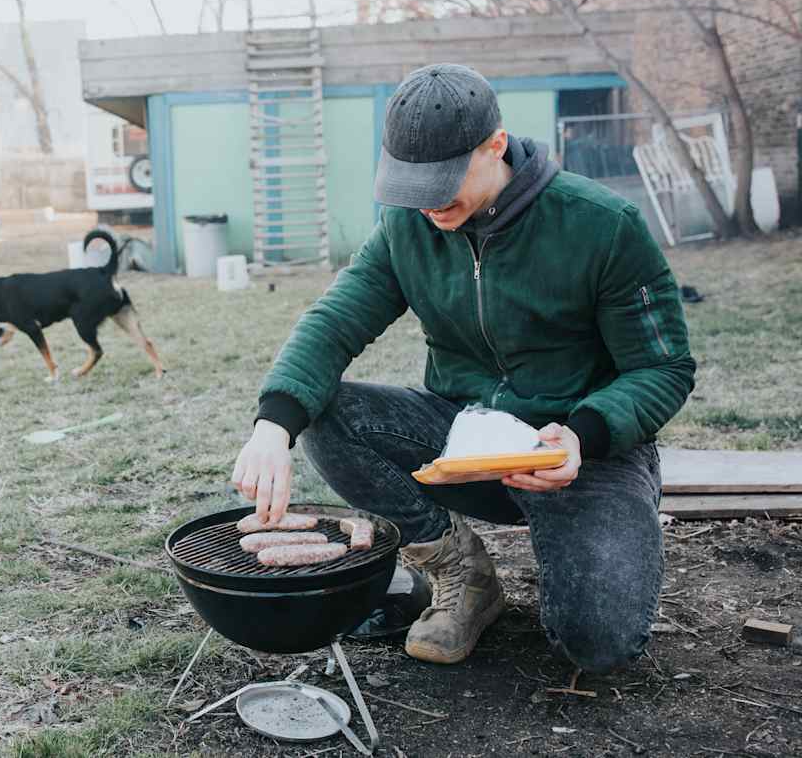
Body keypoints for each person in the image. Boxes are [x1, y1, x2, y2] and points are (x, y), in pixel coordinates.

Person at [231, 63, 695, 672]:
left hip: (579, 452)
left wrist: (583, 435)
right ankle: (462, 575)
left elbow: (663, 370)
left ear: (495, 145)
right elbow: (334, 321)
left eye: (443, 181)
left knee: (598, 647)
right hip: (464, 440)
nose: (426, 203)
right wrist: (273, 425)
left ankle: (585, 540)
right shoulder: (407, 226)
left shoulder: (603, 226)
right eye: (410, 185)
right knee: (326, 412)